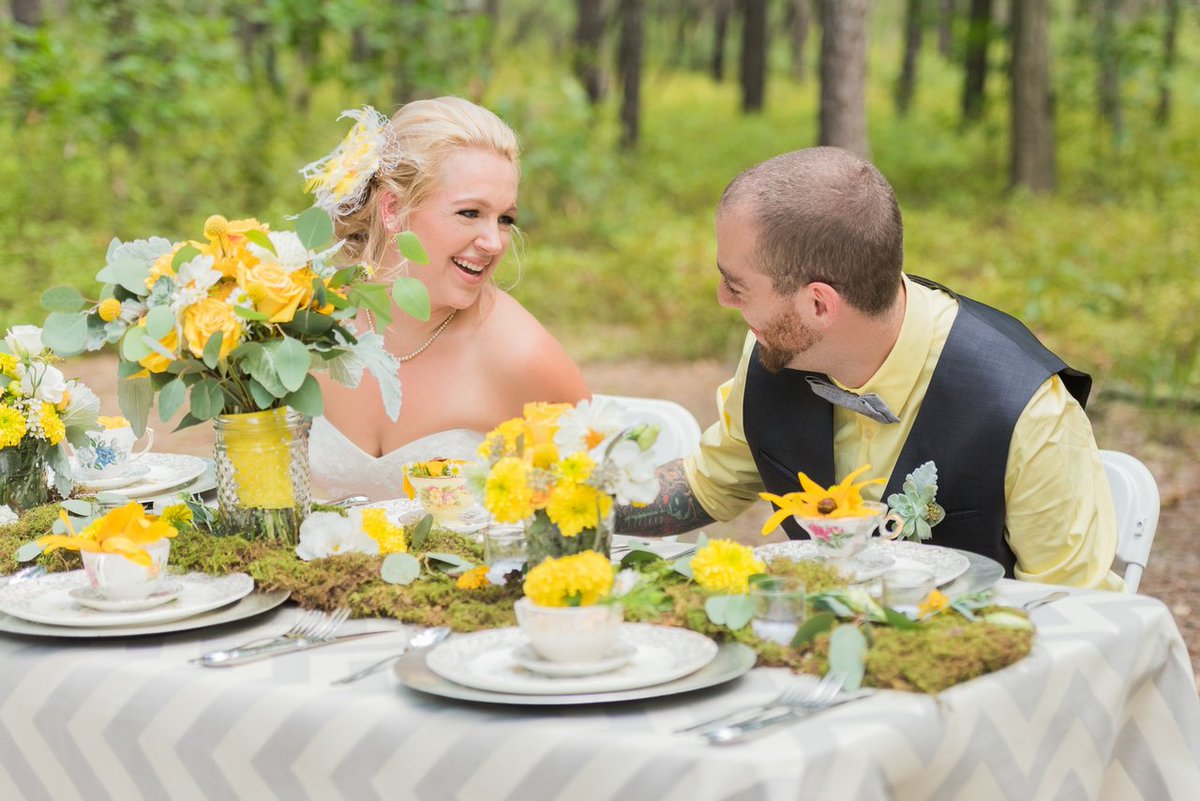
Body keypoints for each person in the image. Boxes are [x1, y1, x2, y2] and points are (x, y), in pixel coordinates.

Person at [617, 146, 1122, 590]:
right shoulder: (778, 352)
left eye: (738, 285)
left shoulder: (1026, 415)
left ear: (819, 305)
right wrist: (563, 500)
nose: (723, 299)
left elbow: (1072, 615)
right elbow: (707, 486)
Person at [304, 98, 589, 500]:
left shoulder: (521, 355)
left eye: (505, 219)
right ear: (393, 209)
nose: (493, 243)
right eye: (470, 213)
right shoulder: (312, 325)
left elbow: (597, 501)